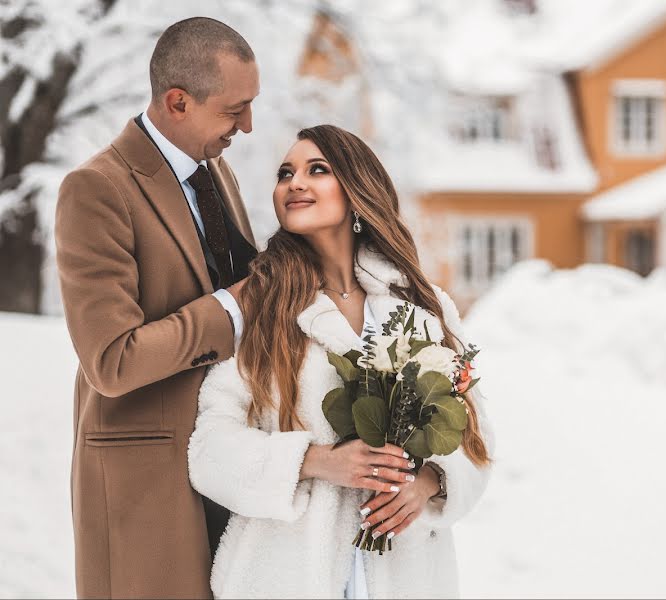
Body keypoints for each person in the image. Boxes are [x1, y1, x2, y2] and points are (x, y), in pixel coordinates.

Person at [187, 124, 494, 598]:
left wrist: (432, 482)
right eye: (285, 173)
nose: (294, 183)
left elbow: (476, 435)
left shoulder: (422, 306)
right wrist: (314, 461)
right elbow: (209, 449)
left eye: (317, 170)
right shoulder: (261, 306)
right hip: (285, 573)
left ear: (356, 191)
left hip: (406, 572)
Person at [55, 17, 259, 598]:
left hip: (226, 467)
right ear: (177, 102)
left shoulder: (218, 173)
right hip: (144, 486)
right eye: (234, 110)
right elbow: (112, 361)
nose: (247, 126)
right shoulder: (96, 189)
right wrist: (235, 306)